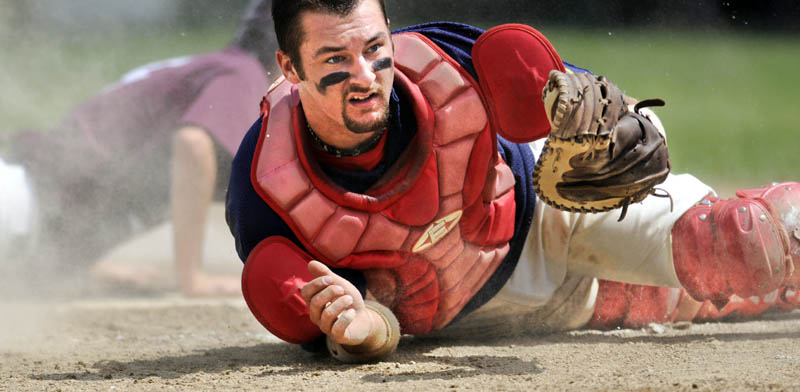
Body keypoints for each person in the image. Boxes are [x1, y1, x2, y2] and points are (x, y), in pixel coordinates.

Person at [225, 0, 800, 362]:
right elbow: (362, 327)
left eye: (375, 49)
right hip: (486, 314)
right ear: (289, 68)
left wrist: (605, 123)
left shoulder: (441, 60)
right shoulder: (268, 191)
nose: (364, 76)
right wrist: (359, 331)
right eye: (333, 60)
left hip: (551, 210)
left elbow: (573, 98)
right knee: (689, 300)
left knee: (738, 245)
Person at [0, 0, 279, 297]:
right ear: (285, 54)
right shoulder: (244, 73)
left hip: (24, 209)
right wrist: (192, 278)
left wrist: (84, 264)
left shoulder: (224, 65)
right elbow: (193, 145)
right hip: (18, 204)